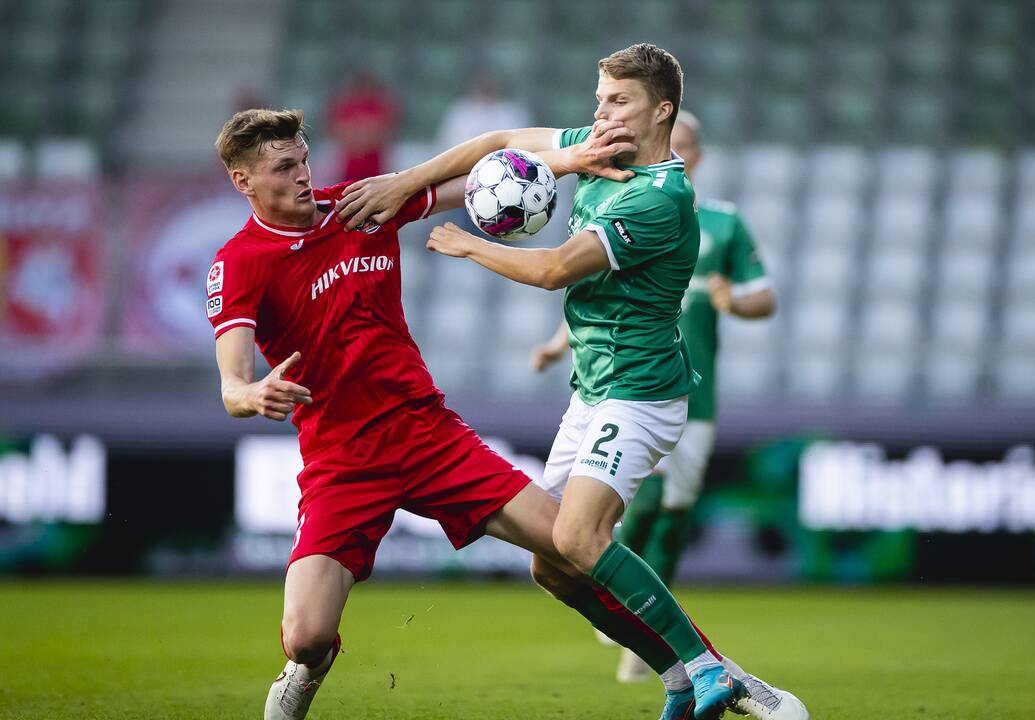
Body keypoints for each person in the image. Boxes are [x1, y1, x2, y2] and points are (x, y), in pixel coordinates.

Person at [207, 107, 746, 720]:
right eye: (284, 167)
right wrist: (252, 395)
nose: (303, 174)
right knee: (305, 637)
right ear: (243, 181)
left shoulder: (361, 206)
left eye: (303, 158)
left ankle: (707, 670)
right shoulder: (240, 262)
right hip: (341, 458)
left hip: (428, 434)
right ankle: (309, 667)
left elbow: (484, 178)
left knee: (577, 545)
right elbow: (232, 384)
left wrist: (567, 160)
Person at [335, 44, 808, 720]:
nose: (600, 112)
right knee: (550, 564)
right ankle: (679, 675)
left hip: (641, 392)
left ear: (661, 109)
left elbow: (558, 267)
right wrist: (403, 182)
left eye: (618, 101)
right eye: (599, 99)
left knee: (580, 539)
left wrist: (467, 242)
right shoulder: (598, 149)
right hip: (594, 389)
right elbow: (498, 141)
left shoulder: (660, 197)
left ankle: (710, 668)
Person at [532, 110, 779, 689]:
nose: (683, 152)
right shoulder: (626, 204)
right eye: (679, 142)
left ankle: (650, 636)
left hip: (692, 390)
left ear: (699, 154)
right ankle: (635, 606)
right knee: (625, 507)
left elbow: (763, 298)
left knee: (673, 510)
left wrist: (731, 301)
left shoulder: (719, 222)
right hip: (622, 385)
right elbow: (604, 294)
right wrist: (551, 345)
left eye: (692, 144)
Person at [325, 71, 398, 183]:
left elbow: (385, 132)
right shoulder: (346, 105)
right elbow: (337, 131)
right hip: (350, 165)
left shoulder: (379, 105)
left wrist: (360, 136)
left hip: (374, 163)